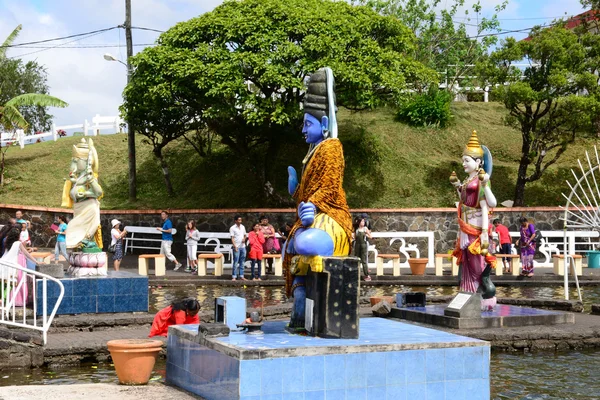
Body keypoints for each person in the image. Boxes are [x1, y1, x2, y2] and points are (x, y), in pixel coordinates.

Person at [450, 130, 498, 311]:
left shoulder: (480, 179)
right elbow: (463, 200)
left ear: (478, 162)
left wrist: (485, 232)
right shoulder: (468, 179)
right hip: (465, 226)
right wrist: (457, 186)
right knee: (467, 263)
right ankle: (468, 295)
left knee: (478, 263)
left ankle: (485, 292)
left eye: (467, 160)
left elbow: (489, 205)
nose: (463, 163)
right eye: (463, 160)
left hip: (477, 228)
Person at [1, 227, 38, 307]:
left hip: (3, 263)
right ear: (17, 236)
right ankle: (3, 299)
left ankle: (3, 299)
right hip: (11, 265)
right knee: (10, 284)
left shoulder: (7, 242)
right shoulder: (18, 243)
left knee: (3, 283)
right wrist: (36, 261)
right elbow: (26, 254)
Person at [353, 216, 372, 281]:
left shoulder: (365, 228)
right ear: (359, 222)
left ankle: (367, 275)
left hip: (364, 245)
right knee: (357, 259)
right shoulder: (357, 229)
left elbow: (370, 236)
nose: (363, 222)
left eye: (364, 221)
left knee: (364, 261)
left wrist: (366, 235)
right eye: (362, 221)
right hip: (357, 246)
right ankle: (356, 274)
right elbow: (355, 238)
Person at [230, 216, 247, 281]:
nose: (240, 221)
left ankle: (241, 275)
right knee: (236, 262)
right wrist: (235, 246)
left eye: (241, 220)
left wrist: (244, 239)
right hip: (236, 246)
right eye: (239, 220)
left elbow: (245, 235)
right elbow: (232, 238)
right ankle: (234, 276)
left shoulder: (243, 227)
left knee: (242, 262)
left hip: (242, 246)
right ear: (235, 221)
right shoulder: (232, 228)